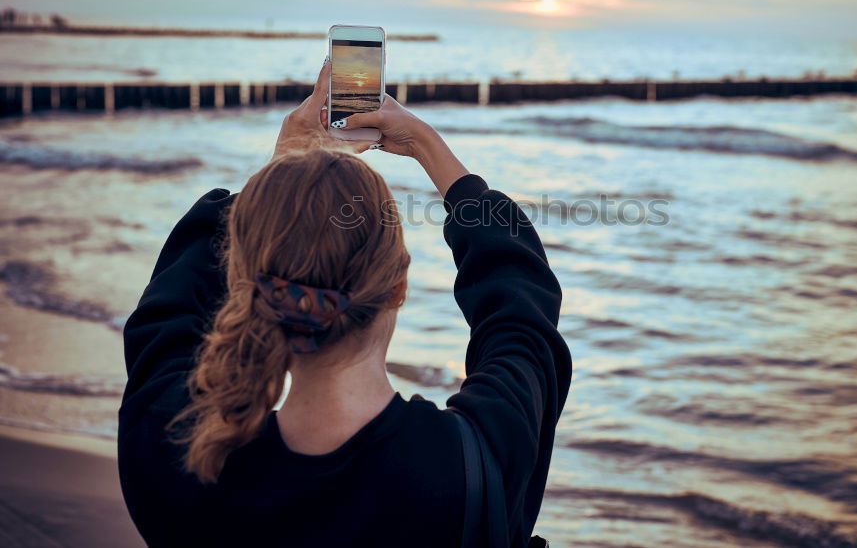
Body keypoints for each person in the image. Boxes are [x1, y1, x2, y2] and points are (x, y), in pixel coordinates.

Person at [116, 57, 573, 547]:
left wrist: (283, 172)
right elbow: (521, 317)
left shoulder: (182, 457)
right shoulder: (473, 469)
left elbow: (170, 312)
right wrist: (424, 144)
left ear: (249, 283)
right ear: (399, 286)